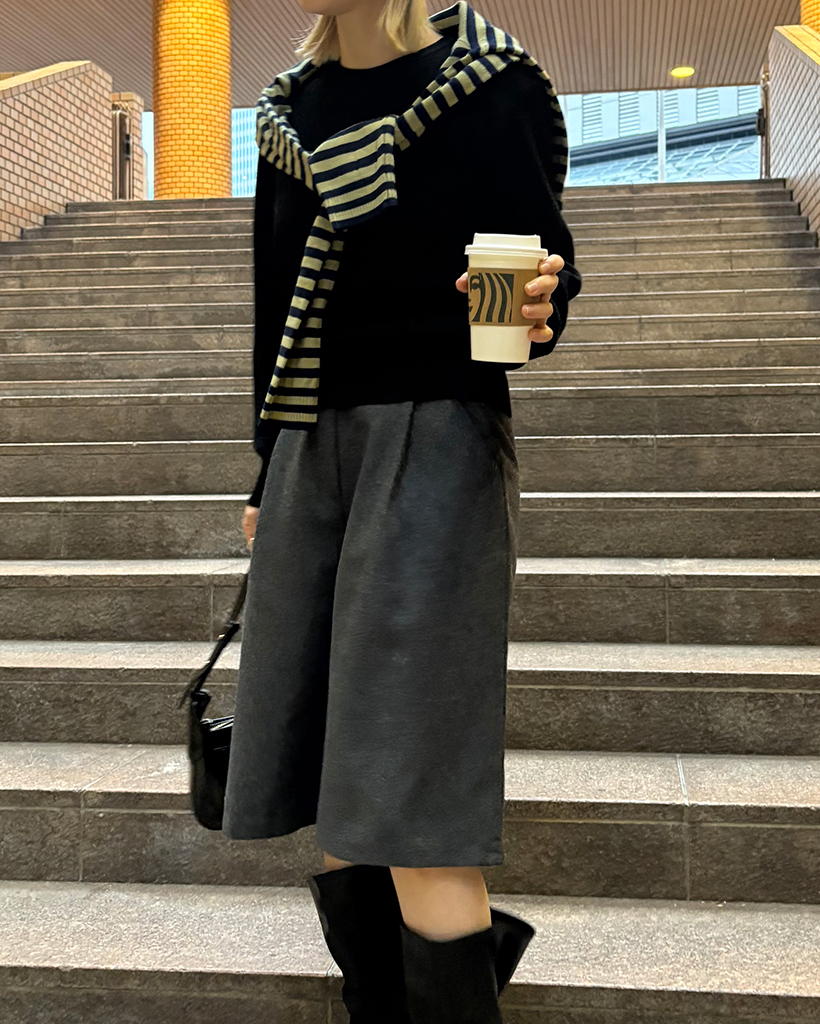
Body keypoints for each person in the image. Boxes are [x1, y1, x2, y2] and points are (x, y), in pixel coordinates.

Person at [222, 0, 582, 1020]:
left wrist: (540, 304)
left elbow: (538, 267)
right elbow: (275, 306)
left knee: (412, 798)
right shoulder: (288, 114)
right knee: (342, 791)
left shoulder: (489, 88)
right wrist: (266, 470)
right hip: (309, 446)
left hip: (438, 436)